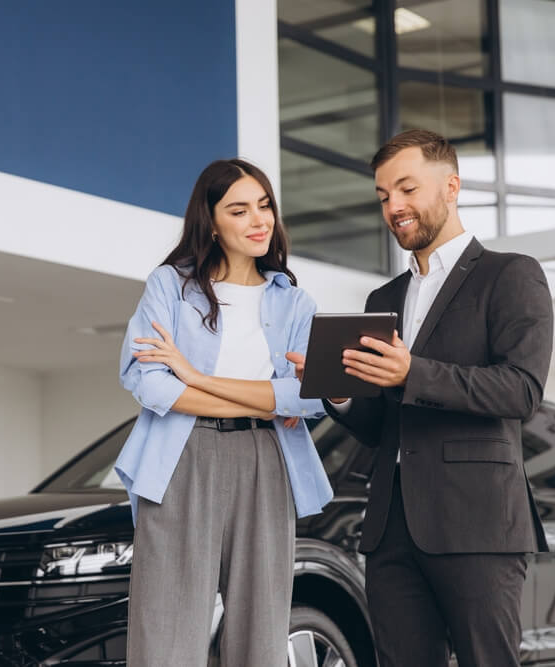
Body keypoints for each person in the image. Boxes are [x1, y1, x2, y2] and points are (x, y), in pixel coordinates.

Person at [289, 129, 553, 667]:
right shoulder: (382, 298)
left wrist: (414, 373)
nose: (394, 207)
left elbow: (522, 389)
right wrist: (339, 393)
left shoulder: (510, 275)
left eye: (407, 189)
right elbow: (380, 424)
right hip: (390, 531)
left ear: (451, 186)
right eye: (384, 196)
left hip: (478, 524)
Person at [115, 158, 332, 666]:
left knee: (262, 629)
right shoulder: (169, 286)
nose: (259, 220)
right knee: (166, 629)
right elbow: (150, 383)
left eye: (265, 206)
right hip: (182, 456)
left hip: (267, 459)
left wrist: (194, 377)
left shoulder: (296, 302)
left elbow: (309, 397)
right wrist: (266, 398)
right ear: (211, 222)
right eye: (239, 210)